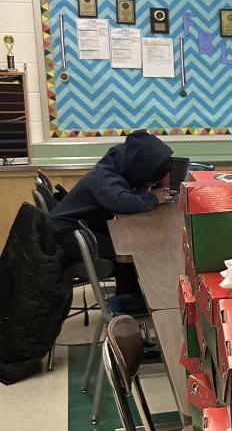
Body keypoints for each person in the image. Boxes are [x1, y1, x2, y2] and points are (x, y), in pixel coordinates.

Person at [51, 130, 173, 310]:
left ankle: (133, 297)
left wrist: (145, 194)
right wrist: (153, 198)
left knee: (129, 244)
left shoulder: (117, 164)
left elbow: (125, 194)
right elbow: (121, 202)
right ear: (140, 167)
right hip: (66, 236)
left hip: (77, 228)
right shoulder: (105, 178)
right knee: (129, 252)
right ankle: (129, 305)